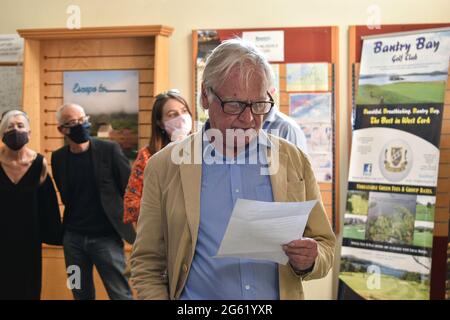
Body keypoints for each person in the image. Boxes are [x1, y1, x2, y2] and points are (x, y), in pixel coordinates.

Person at [130, 39, 335, 300]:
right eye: (235, 105)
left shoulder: (293, 161)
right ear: (206, 96)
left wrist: (310, 259)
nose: (248, 118)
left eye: (259, 105)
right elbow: (147, 262)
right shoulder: (164, 166)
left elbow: (325, 244)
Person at [51, 103, 136, 300]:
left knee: (120, 293)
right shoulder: (58, 158)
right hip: (72, 242)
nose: (80, 125)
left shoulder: (109, 150)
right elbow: (65, 194)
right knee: (79, 292)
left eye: (83, 120)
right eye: (73, 122)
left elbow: (129, 188)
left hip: (106, 239)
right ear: (62, 129)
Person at [0, 110, 62, 300]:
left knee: (28, 290)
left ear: (29, 132)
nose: (15, 130)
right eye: (10, 127)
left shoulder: (39, 164)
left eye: (20, 126)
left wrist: (58, 235)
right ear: (2, 133)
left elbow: (48, 205)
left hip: (29, 241)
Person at [123, 90, 192, 225]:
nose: (181, 117)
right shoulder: (148, 156)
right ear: (160, 123)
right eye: (172, 115)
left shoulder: (204, 150)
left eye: (184, 111)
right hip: (163, 234)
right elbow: (131, 204)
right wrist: (166, 208)